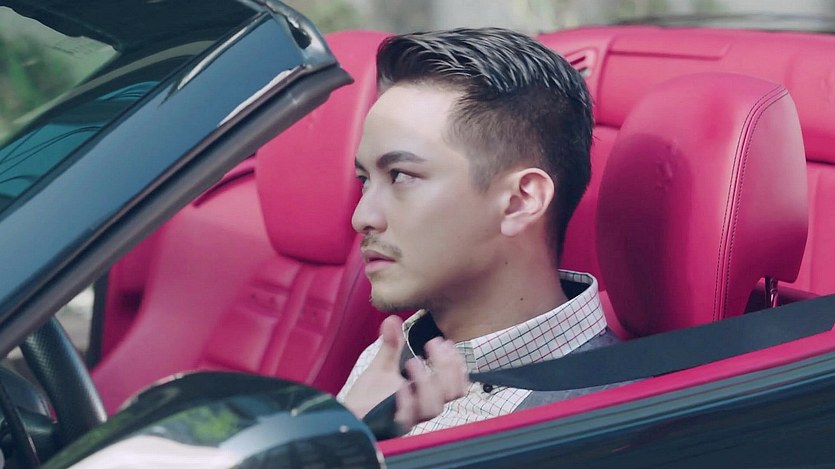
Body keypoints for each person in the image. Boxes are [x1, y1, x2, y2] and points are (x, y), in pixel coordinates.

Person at [337, 27, 618, 436]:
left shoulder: (605, 424)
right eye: (365, 179)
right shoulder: (387, 358)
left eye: (400, 175)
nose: (362, 216)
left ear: (519, 201)